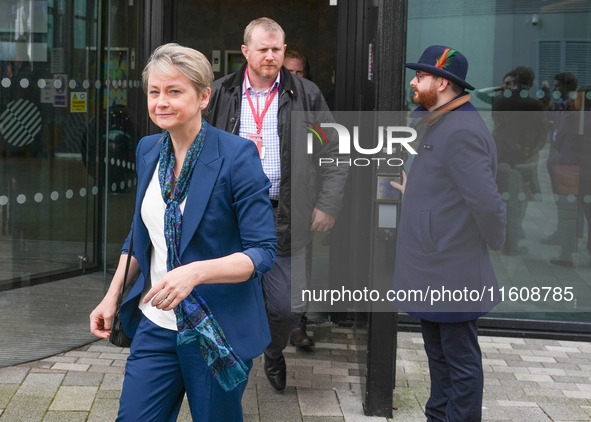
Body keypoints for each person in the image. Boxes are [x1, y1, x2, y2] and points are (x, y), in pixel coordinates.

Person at [89, 43, 277, 421]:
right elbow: (141, 235)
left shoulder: (236, 156)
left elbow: (262, 252)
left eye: (175, 91)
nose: (161, 101)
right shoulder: (148, 150)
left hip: (216, 328)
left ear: (203, 96)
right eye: (154, 92)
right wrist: (112, 296)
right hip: (157, 324)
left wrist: (195, 272)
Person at [205, 17, 348, 393]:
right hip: (230, 214)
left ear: (285, 51)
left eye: (277, 49)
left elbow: (335, 152)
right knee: (222, 293)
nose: (271, 56)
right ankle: (226, 362)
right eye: (263, 49)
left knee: (286, 306)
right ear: (245, 52)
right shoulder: (220, 94)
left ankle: (272, 349)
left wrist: (328, 202)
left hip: (285, 213)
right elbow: (195, 148)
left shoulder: (306, 95)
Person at [390, 45, 506, 421]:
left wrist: (495, 242)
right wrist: (416, 193)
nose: (413, 80)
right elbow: (447, 187)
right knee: (438, 356)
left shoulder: (460, 130)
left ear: (441, 82)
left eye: (420, 76)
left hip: (451, 266)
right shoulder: (437, 120)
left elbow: (487, 203)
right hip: (432, 262)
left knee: (459, 361)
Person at [492, 66, 547, 255]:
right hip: (525, 160)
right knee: (521, 201)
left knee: (503, 198)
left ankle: (504, 237)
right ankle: (512, 241)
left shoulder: (499, 101)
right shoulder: (535, 104)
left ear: (513, 81)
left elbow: (498, 127)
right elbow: (542, 133)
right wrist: (530, 151)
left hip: (503, 157)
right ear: (531, 83)